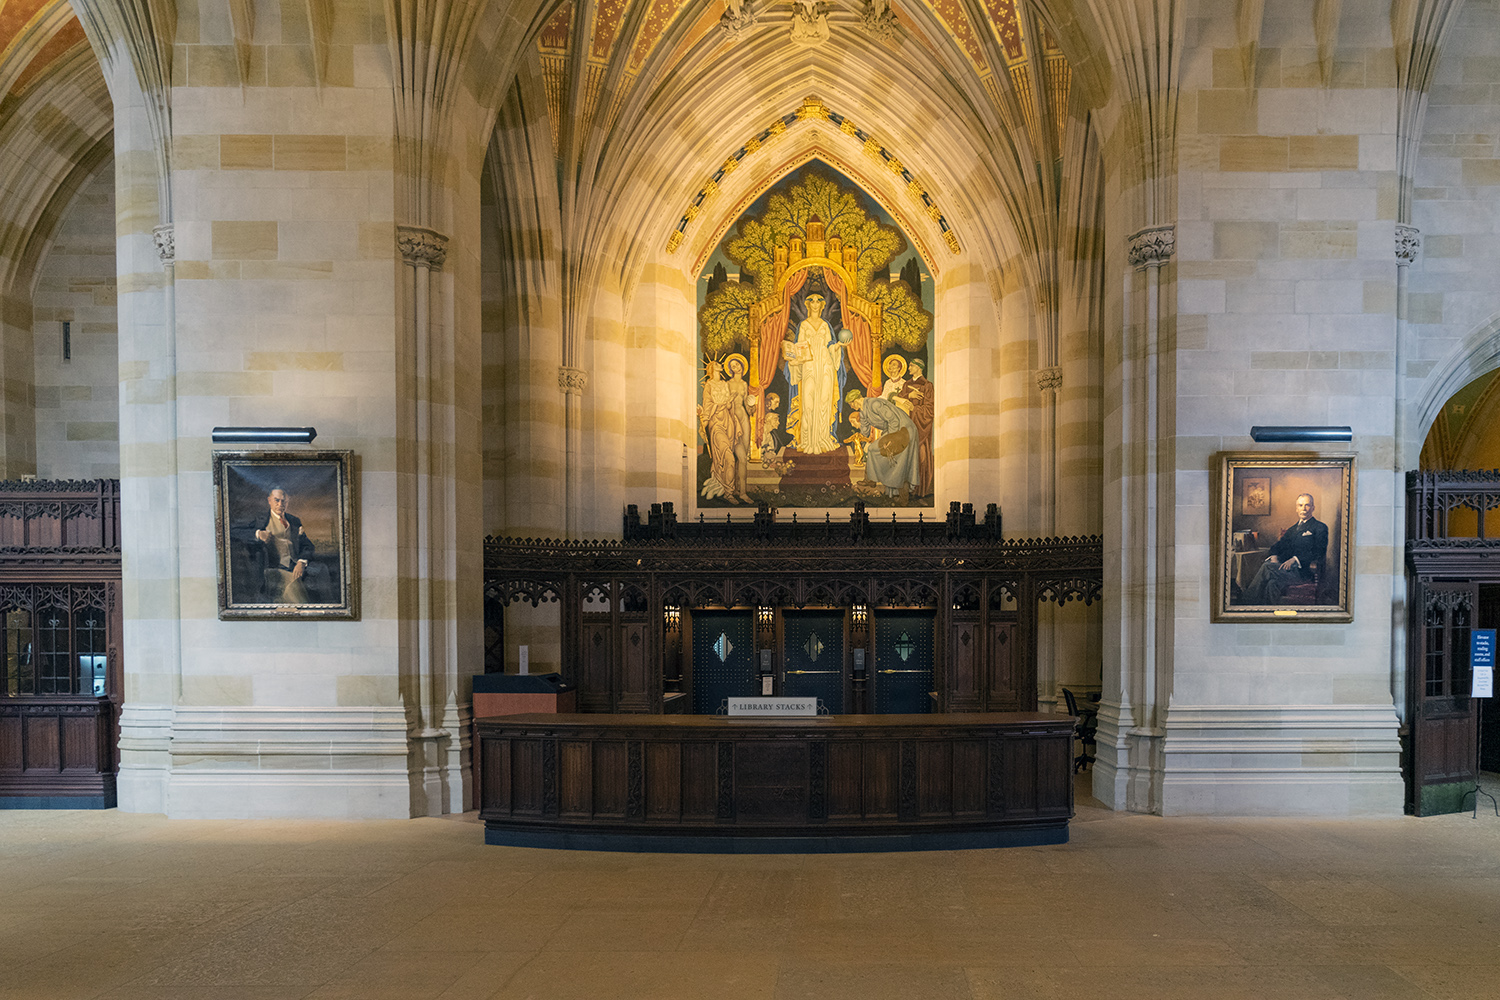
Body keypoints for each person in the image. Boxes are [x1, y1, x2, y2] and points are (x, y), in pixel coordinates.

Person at [781, 290, 849, 454]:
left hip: (825, 366)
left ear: (822, 306)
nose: (816, 305)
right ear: (808, 305)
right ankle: (807, 440)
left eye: (819, 302)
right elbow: (799, 348)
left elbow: (830, 347)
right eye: (813, 302)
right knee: (809, 402)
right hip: (809, 366)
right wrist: (792, 357)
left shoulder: (826, 325)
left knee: (825, 400)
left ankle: (823, 438)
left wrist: (840, 345)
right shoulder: (803, 325)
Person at [1240, 493, 1329, 605]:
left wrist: (1295, 559)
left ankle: (1246, 601)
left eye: (1307, 505)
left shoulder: (1320, 527)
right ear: (1296, 508)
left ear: (1313, 508)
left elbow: (1319, 552)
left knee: (1267, 567)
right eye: (1300, 505)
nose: (1304, 509)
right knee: (1272, 584)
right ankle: (1269, 614)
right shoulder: (1292, 529)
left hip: (1304, 572)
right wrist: (1274, 555)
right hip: (1288, 571)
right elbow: (1278, 545)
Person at [232, 486, 315, 603]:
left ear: (287, 502)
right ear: (269, 500)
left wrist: (301, 562)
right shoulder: (260, 519)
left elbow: (308, 545)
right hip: (272, 568)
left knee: (321, 573)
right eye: (277, 500)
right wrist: (258, 533)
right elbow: (233, 531)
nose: (280, 504)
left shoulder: (294, 521)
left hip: (295, 566)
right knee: (296, 594)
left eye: (284, 501)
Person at [847, 390, 920, 502]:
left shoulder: (875, 404)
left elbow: (893, 420)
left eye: (851, 404)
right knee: (872, 449)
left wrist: (891, 439)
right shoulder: (863, 412)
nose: (851, 407)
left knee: (899, 462)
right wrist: (859, 440)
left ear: (855, 400)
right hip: (892, 431)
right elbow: (865, 432)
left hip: (903, 430)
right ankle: (871, 480)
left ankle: (903, 496)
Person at [896, 358, 934, 499]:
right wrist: (908, 396)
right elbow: (899, 399)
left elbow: (930, 409)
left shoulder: (927, 385)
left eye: (911, 365)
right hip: (907, 425)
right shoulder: (907, 384)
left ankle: (920, 491)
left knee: (921, 455)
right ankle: (908, 490)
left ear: (919, 367)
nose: (909, 368)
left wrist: (914, 408)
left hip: (921, 427)